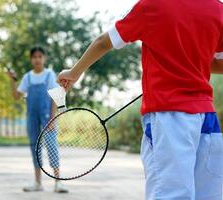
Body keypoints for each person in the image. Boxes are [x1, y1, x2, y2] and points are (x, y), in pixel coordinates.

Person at [57, 0, 223, 199]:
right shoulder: (217, 8)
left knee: (170, 194)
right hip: (207, 119)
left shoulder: (153, 5)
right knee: (208, 194)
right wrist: (192, 61)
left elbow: (104, 42)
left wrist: (73, 73)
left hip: (169, 118)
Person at [8, 46, 68, 193]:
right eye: (34, 57)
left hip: (48, 116)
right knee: (35, 147)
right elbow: (16, 96)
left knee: (52, 146)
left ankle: (58, 182)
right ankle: (37, 182)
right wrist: (12, 81)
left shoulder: (49, 75)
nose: (37, 59)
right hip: (32, 117)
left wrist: (52, 118)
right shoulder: (27, 77)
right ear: (31, 59)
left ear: (44, 58)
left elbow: (55, 96)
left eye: (40, 56)